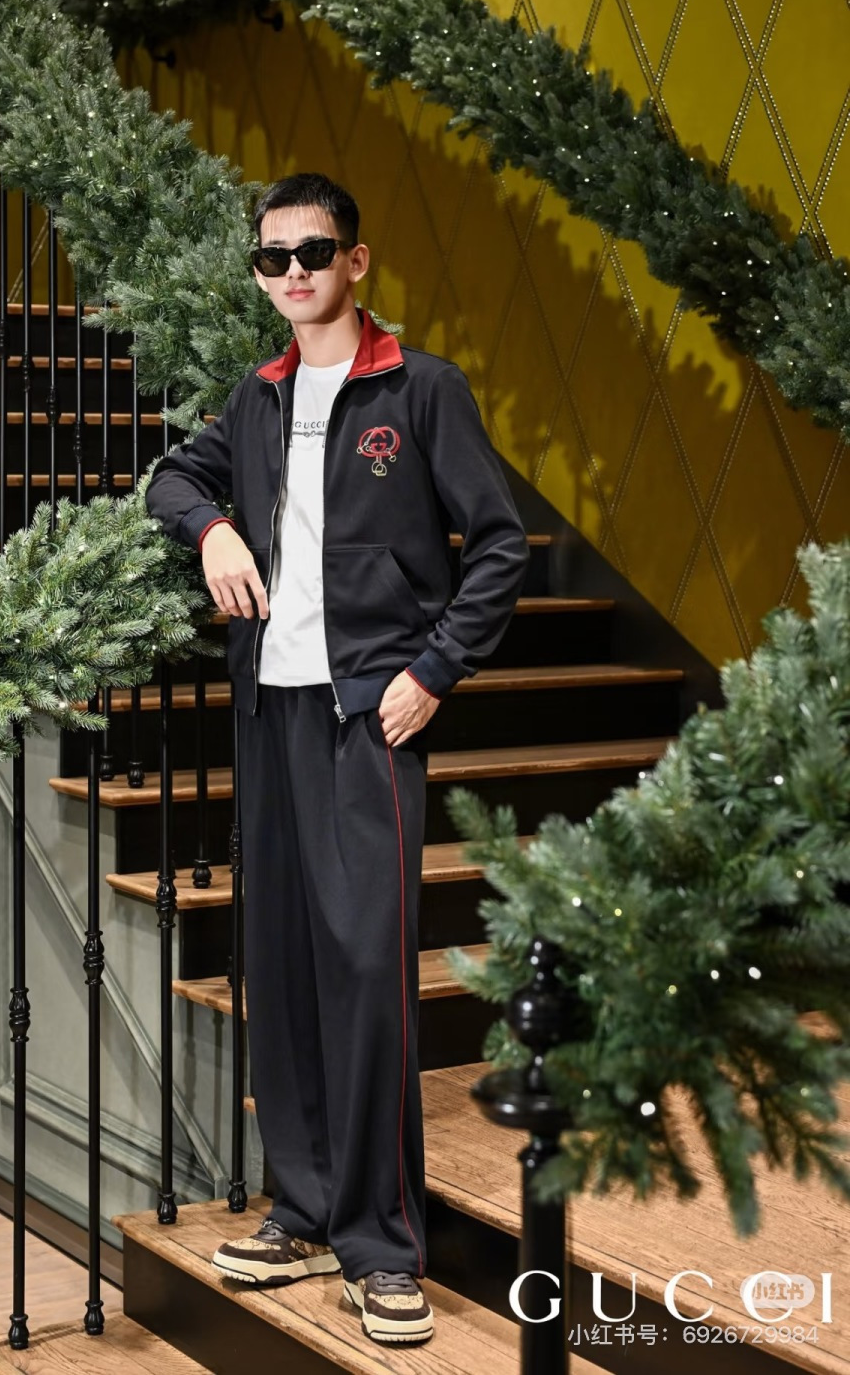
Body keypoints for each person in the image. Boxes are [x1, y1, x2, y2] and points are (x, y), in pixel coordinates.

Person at [144, 172, 529, 1345]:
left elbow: (500, 545)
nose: (294, 273)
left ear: (356, 261)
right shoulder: (256, 397)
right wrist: (213, 529)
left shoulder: (421, 390)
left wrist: (433, 671)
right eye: (273, 257)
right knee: (285, 966)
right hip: (273, 715)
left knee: (366, 977)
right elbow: (174, 478)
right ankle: (303, 1209)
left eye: (314, 252)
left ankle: (382, 1244)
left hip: (370, 718)